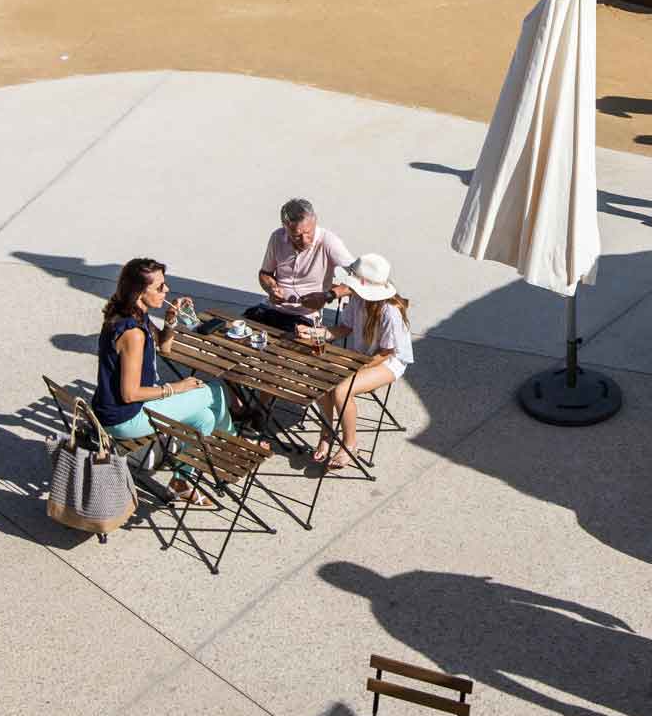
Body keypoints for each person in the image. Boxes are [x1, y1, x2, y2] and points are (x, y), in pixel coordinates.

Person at [92, 257, 236, 504]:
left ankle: (181, 481)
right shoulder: (132, 333)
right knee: (216, 392)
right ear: (139, 292)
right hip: (125, 418)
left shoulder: (136, 315)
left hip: (120, 410)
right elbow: (130, 393)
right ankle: (235, 449)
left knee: (206, 419)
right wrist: (175, 388)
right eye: (159, 287)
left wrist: (170, 319)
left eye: (165, 284)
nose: (166, 290)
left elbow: (165, 347)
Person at [308, 253, 414, 472]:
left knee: (341, 390)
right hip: (360, 355)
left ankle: (350, 444)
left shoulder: (389, 311)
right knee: (320, 378)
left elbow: (386, 353)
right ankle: (326, 434)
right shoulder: (357, 300)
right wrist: (315, 332)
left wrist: (355, 368)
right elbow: (344, 329)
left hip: (387, 361)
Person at [251, 197, 357, 333]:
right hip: (271, 308)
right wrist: (271, 288)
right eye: (296, 236)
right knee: (239, 337)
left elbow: (360, 280)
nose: (304, 240)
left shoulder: (328, 242)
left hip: (305, 317)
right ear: (285, 227)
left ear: (315, 221)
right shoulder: (277, 237)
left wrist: (328, 296)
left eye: (308, 233)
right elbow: (265, 273)